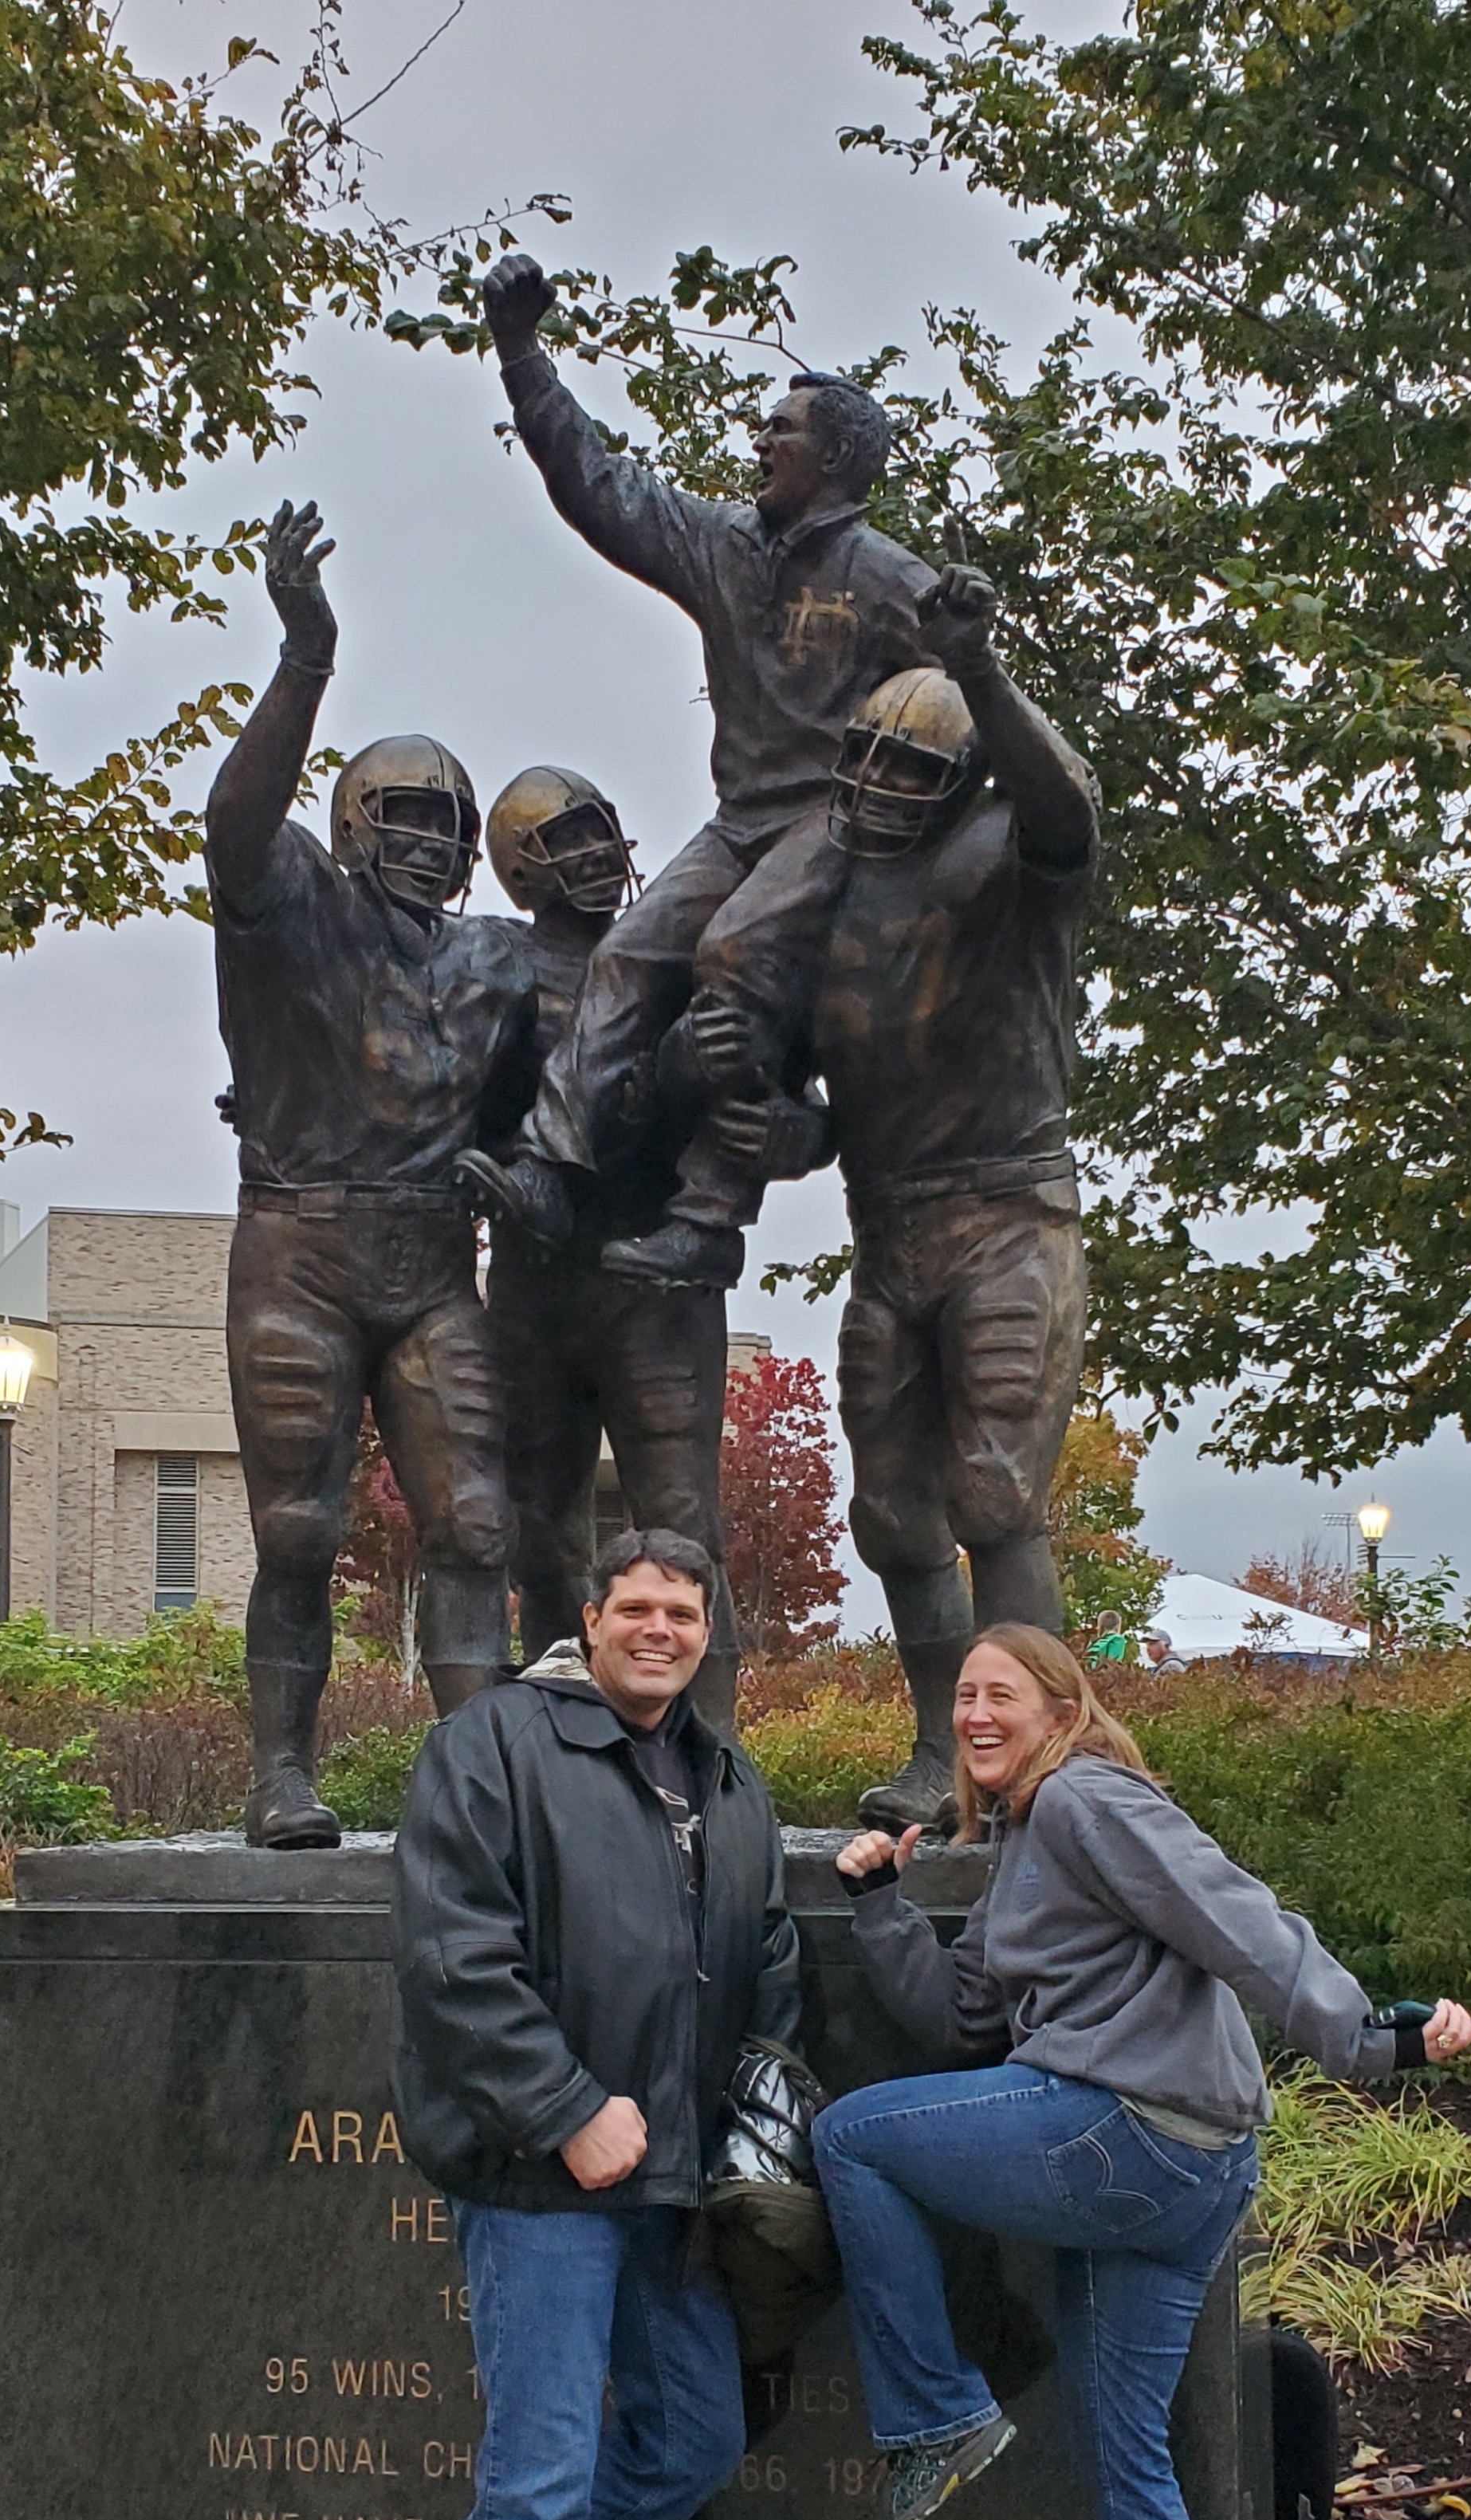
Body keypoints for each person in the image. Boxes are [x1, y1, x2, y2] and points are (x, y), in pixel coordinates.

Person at [823, 1624, 1471, 2520]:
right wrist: (878, 1905)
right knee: (1128, 2457)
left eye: (1002, 1693)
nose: (977, 1714)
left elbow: (1233, 1912)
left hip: (1128, 2132)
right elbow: (964, 2023)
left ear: (1061, 1706)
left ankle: (938, 2417)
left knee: (851, 2137)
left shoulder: (1085, 1798)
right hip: (1180, 2173)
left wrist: (1365, 2037)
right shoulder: (1019, 1839)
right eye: (963, 1695)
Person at [383, 1529, 800, 2520]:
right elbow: (451, 1956)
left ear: (707, 1631)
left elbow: (762, 1956)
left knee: (691, 2434)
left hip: (670, 2191)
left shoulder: (727, 1779)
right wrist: (566, 2109)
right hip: (541, 2183)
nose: (660, 1629)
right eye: (638, 1607)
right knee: (539, 2488)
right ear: (590, 1617)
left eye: (684, 1610)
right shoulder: (495, 1745)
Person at [455, 249, 938, 1291]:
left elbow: (964, 715)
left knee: (734, 949)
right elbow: (598, 485)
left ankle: (712, 1214)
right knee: (629, 954)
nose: (761, 441)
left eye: (783, 430)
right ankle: (549, 1168)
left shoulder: (893, 580)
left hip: (834, 820)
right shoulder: (724, 543)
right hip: (739, 822)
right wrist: (521, 354)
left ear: (837, 458)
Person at [726, 564, 1099, 1830]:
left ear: (959, 783)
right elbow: (812, 1109)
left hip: (1009, 1216)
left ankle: (1043, 1770)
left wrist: (979, 669)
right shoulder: (824, 888)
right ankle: (948, 1750)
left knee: (995, 1496)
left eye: (911, 769)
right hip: (887, 1228)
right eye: (867, 760)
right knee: (891, 1515)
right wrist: (771, 1121)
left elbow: (1066, 813)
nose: (881, 787)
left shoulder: (1005, 858)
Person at [206, 500, 535, 1845]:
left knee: (475, 1523)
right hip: (300, 1248)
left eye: (451, 822)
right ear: (350, 822)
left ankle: (482, 1788)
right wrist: (306, 661)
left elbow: (551, 1095)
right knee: (298, 1529)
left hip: (432, 1259)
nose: (432, 840)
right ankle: (282, 1773)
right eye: (404, 814)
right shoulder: (296, 904)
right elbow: (235, 823)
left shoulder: (497, 958)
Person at [481, 767, 820, 1727]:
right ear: (520, 867)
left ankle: (710, 1762)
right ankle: (557, 1745)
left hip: (658, 1285)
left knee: (685, 1529)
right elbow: (429, 1086)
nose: (595, 855)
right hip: (535, 1283)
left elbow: (798, 1105)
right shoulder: (492, 963)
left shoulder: (691, 958)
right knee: (537, 1530)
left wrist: (788, 1133)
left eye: (601, 833)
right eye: (567, 841)